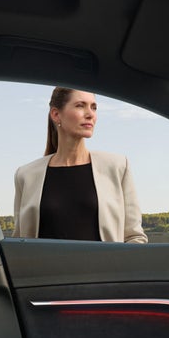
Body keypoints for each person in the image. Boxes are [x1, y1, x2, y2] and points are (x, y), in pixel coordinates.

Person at [13, 87, 148, 243]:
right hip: (45, 267)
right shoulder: (25, 175)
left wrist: (115, 266)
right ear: (56, 115)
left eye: (94, 107)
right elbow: (19, 242)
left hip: (104, 267)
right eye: (80, 105)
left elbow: (135, 237)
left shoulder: (118, 166)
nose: (90, 114)